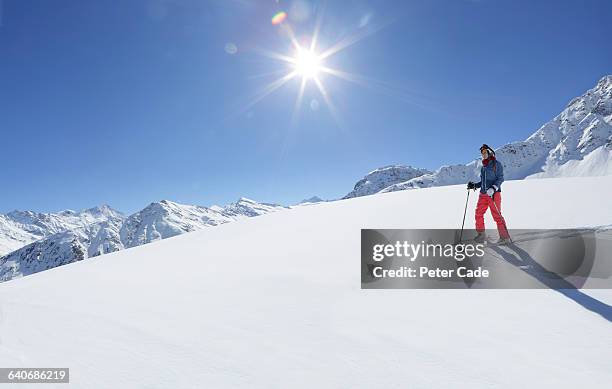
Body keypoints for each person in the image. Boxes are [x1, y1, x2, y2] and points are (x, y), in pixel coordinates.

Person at [467, 144, 511, 244]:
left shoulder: (496, 164)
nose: (483, 155)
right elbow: (482, 182)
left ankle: (505, 238)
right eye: (482, 153)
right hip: (483, 195)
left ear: (489, 152)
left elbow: (501, 178)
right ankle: (481, 235)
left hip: (493, 195)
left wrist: (493, 188)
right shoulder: (483, 167)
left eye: (485, 153)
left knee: (497, 216)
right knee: (478, 213)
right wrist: (474, 185)